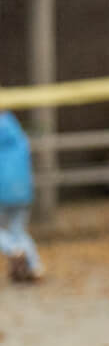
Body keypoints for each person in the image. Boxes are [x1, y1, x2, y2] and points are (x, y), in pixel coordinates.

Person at [0, 111, 44, 283]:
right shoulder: (20, 138)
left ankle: (13, 249)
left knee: (11, 235)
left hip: (2, 192)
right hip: (23, 192)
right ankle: (34, 266)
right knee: (18, 230)